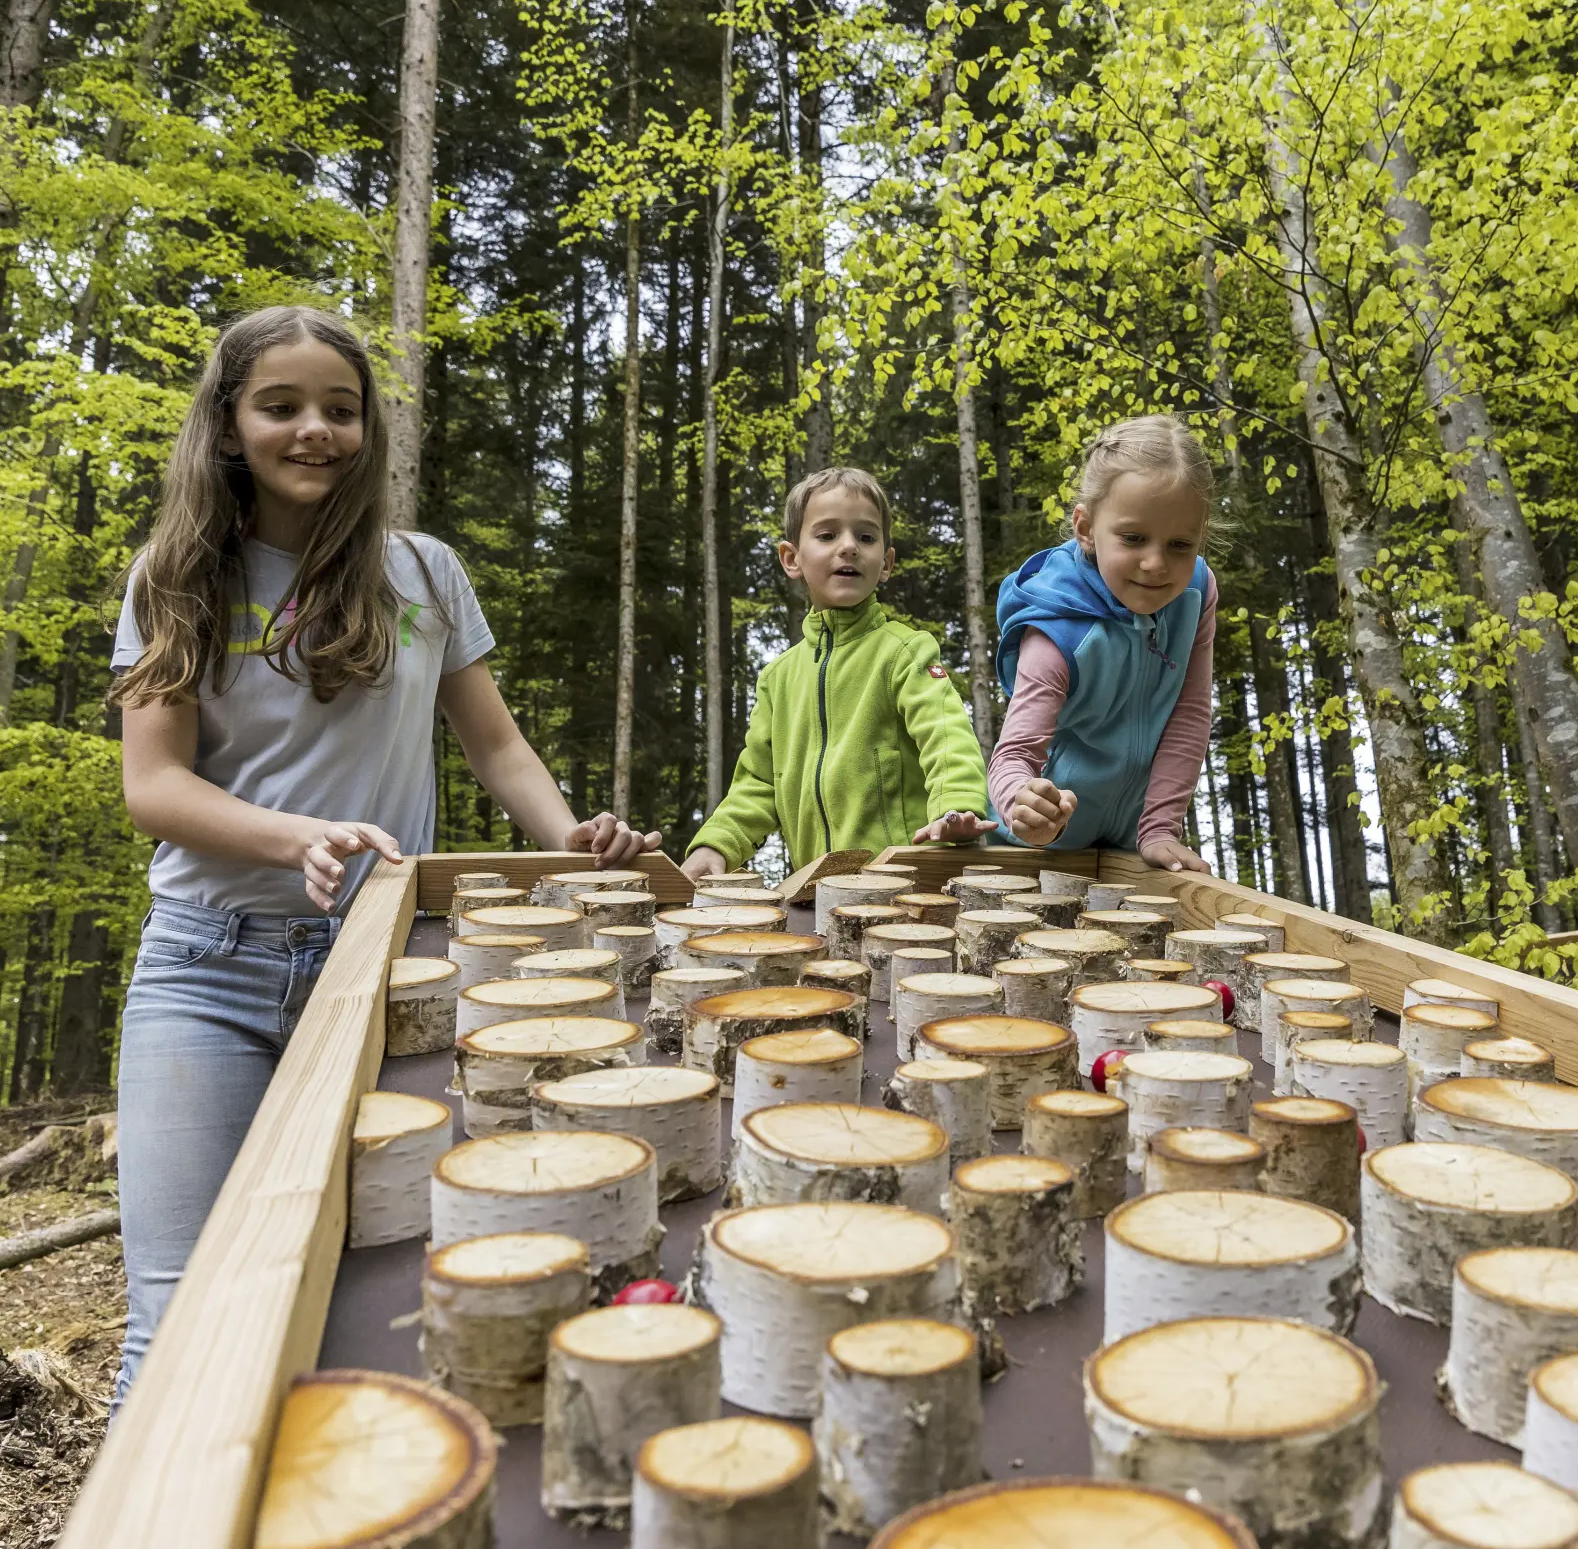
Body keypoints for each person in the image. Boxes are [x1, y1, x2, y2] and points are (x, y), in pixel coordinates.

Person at [110, 306, 657, 1403]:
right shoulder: (171, 578)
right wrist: (295, 835)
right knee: (176, 1316)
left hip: (391, 975)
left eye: (341, 409)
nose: (315, 430)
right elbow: (154, 786)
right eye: (282, 406)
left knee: (378, 1297)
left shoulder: (422, 571)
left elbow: (495, 746)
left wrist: (573, 843)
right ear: (228, 426)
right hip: (204, 973)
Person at [681, 467, 992, 879]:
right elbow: (757, 783)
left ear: (886, 562)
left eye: (866, 537)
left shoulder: (906, 651)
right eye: (827, 535)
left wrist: (957, 804)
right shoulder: (778, 678)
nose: (849, 547)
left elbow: (947, 734)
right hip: (814, 891)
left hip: (905, 887)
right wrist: (716, 844)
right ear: (792, 558)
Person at [988, 415, 1217, 870]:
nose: (1156, 563)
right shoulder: (1058, 632)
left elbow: (1189, 713)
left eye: (1179, 544)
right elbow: (1013, 755)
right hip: (1036, 854)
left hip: (1130, 849)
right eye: (1133, 538)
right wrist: (1022, 805)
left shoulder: (1196, 593)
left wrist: (1159, 829)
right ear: (1086, 529)